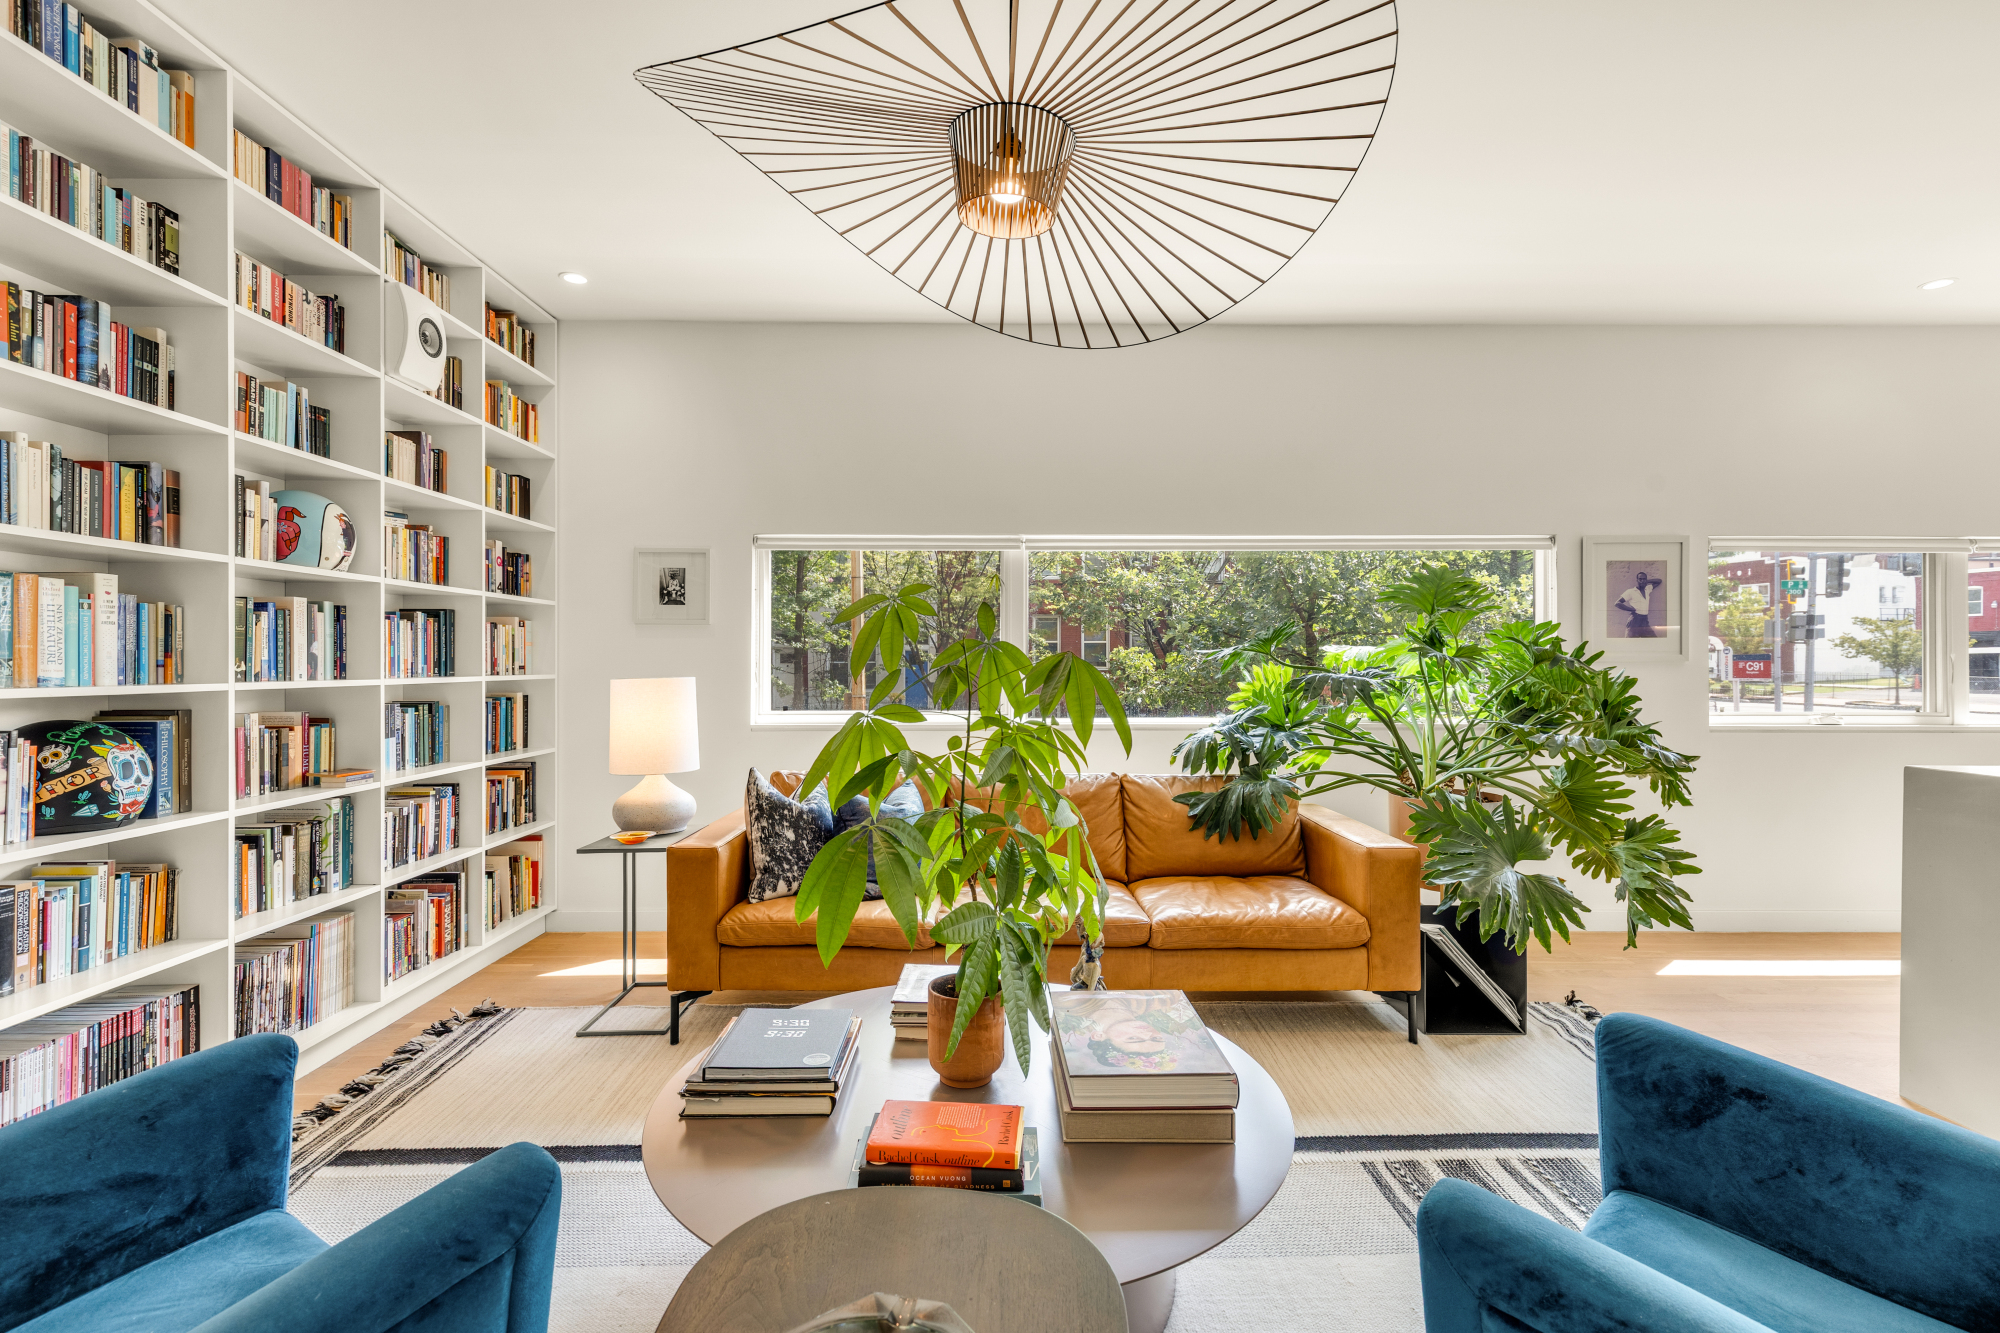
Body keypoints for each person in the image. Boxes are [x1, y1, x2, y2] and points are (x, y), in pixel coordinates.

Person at [1615, 571, 1662, 638]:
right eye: (1640, 579)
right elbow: (1617, 603)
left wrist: (1647, 581)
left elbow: (1659, 581)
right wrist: (1630, 609)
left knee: (1653, 640)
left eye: (1644, 579)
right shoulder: (1631, 591)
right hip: (1634, 621)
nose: (1642, 581)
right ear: (1637, 580)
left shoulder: (1647, 589)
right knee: (1630, 644)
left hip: (1645, 621)